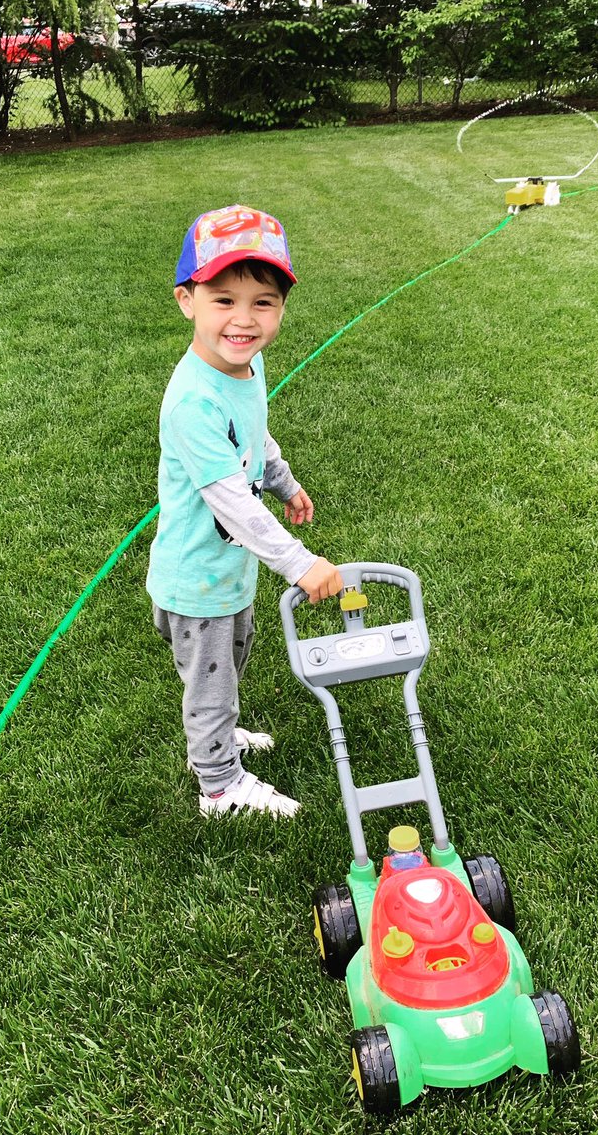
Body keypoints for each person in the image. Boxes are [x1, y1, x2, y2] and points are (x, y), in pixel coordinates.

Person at [148, 203, 343, 818]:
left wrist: (283, 482)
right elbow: (231, 500)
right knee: (211, 687)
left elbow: (254, 436)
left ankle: (219, 734)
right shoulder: (191, 405)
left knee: (229, 668)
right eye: (224, 300)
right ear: (187, 300)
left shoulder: (246, 365)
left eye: (263, 301)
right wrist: (299, 562)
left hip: (226, 573)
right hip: (195, 582)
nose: (244, 319)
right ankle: (219, 784)